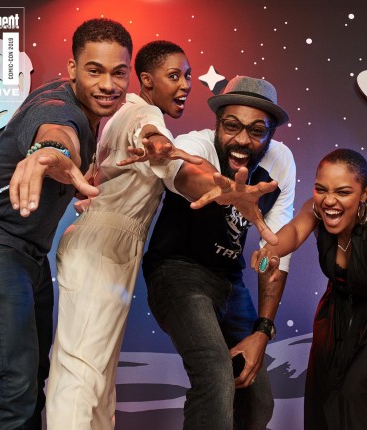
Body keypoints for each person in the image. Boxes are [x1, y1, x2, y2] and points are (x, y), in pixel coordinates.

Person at [0, 18, 133, 429]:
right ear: (72, 69)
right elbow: (54, 131)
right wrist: (50, 152)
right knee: (14, 385)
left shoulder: (92, 115)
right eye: (95, 70)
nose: (108, 84)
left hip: (27, 255)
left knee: (31, 380)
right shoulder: (57, 105)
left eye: (119, 72)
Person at [45, 39, 203, 429]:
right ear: (146, 80)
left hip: (106, 244)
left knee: (95, 371)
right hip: (103, 244)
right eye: (174, 76)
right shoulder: (143, 112)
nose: (185, 85)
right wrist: (157, 141)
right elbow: (146, 132)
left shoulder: (121, 112)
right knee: (82, 370)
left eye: (188, 76)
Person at [142, 75, 296, 429]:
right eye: (232, 126)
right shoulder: (191, 144)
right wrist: (227, 191)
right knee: (215, 373)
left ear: (271, 134)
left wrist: (262, 330)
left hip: (230, 282)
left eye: (257, 131)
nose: (242, 140)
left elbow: (274, 252)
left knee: (257, 400)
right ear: (217, 122)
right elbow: (184, 175)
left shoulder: (281, 163)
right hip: (177, 272)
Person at [251, 148, 367, 429]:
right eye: (321, 189)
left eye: (343, 192)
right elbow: (294, 231)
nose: (329, 200)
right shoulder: (317, 209)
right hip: (336, 319)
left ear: (364, 193)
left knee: (357, 401)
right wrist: (270, 251)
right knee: (325, 406)